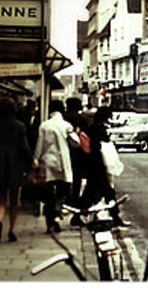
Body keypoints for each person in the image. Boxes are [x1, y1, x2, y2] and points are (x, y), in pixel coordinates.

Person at [0, 97, 33, 243]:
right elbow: (24, 148)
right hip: (14, 165)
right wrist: (31, 161)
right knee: (14, 199)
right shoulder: (19, 126)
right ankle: (11, 230)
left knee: (1, 198)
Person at [79, 106, 130, 227]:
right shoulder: (99, 128)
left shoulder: (94, 127)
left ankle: (80, 215)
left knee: (94, 192)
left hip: (95, 165)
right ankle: (115, 217)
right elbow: (99, 148)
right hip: (99, 165)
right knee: (106, 192)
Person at [33, 99, 73, 233]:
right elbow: (77, 143)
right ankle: (57, 210)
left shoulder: (44, 126)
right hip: (62, 162)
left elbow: (40, 144)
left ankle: (50, 221)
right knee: (63, 190)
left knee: (48, 193)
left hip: (47, 162)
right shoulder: (66, 125)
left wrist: (36, 159)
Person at [63, 97, 90, 227]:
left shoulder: (62, 118)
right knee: (77, 183)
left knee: (63, 183)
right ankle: (76, 214)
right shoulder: (82, 120)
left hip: (63, 155)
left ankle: (62, 207)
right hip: (78, 156)